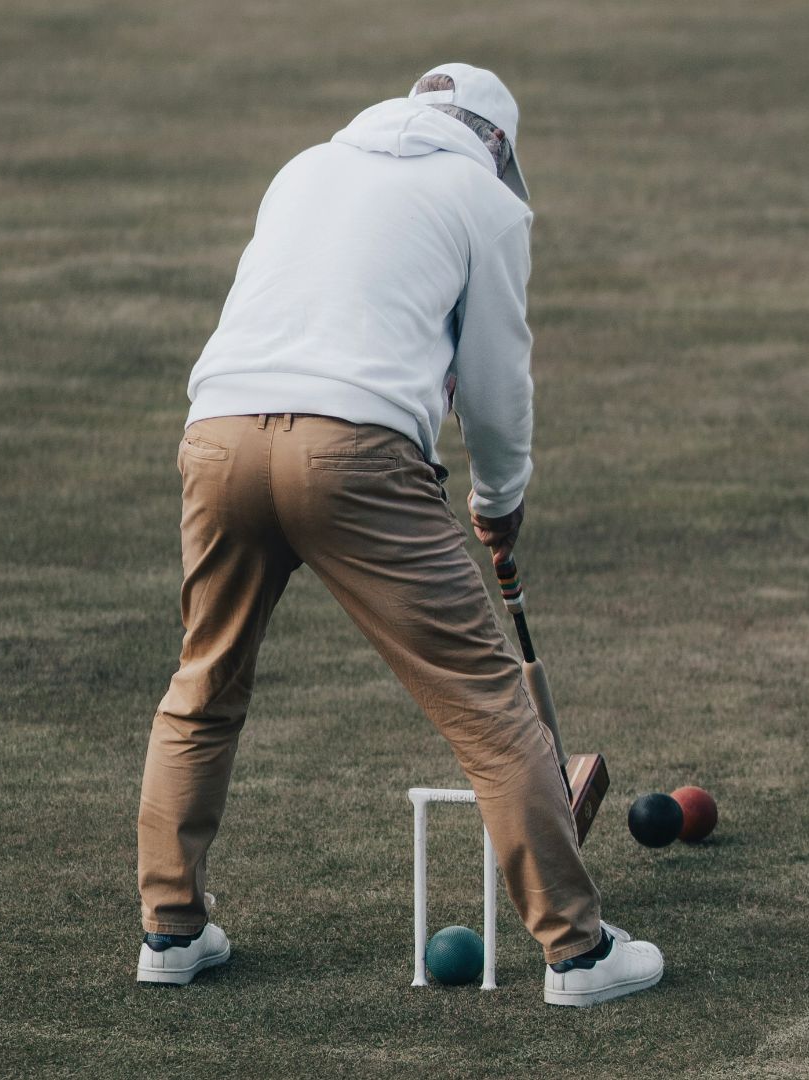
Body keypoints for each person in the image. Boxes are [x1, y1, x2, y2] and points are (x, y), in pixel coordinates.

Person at [133, 63, 663, 1007]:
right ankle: (579, 955)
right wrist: (501, 500)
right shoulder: (485, 200)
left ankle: (170, 931)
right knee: (490, 704)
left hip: (215, 437)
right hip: (354, 452)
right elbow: (498, 384)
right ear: (496, 145)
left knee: (203, 682)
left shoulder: (305, 166)